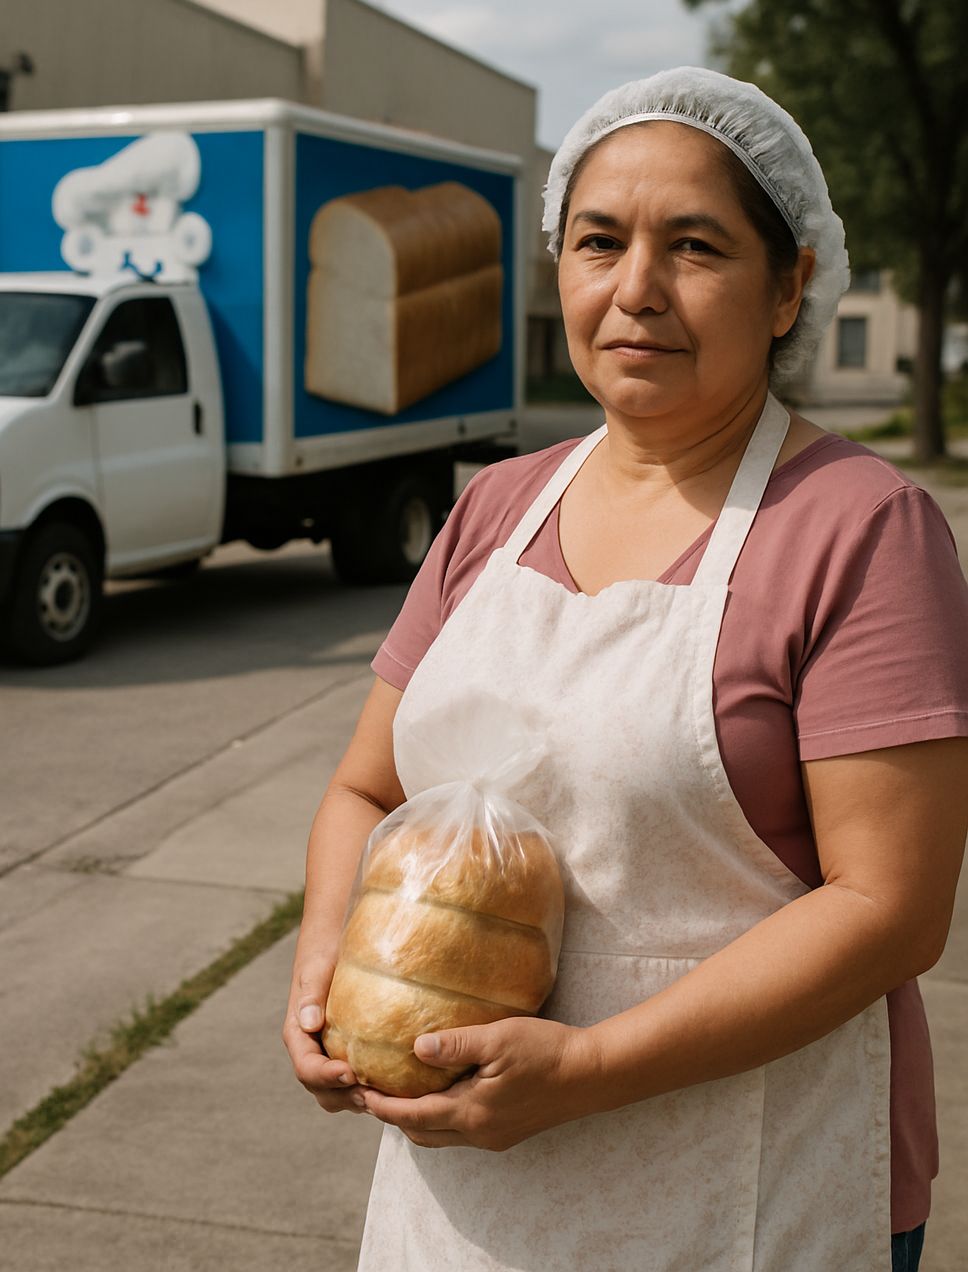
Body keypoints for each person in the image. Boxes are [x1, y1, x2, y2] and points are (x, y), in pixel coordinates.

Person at [284, 68, 968, 1272]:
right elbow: (367, 789)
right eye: (599, 242)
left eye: (694, 246)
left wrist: (589, 1067)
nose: (636, 288)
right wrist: (325, 973)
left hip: (750, 1188)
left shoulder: (859, 528)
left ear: (789, 285)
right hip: (468, 1197)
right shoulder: (495, 509)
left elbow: (890, 909)